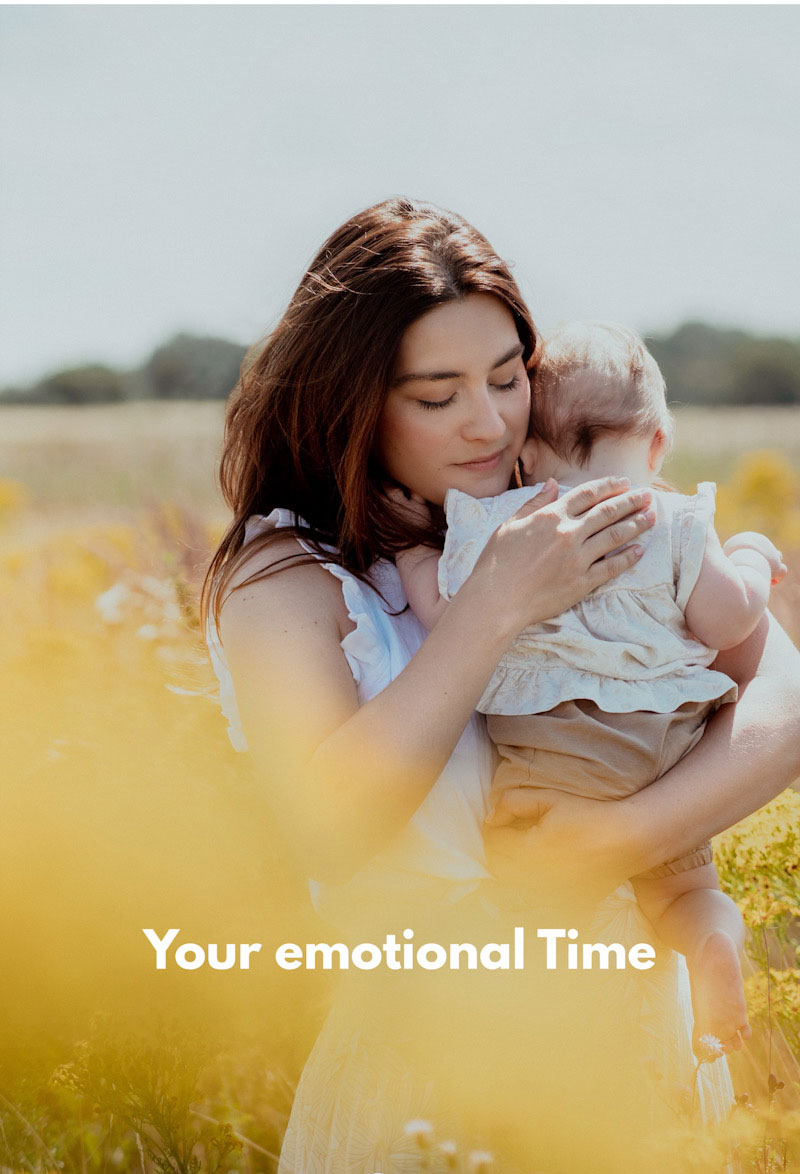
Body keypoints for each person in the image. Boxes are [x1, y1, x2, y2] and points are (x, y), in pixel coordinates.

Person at [202, 198, 800, 1173]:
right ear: (345, 403)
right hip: (429, 1072)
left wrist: (612, 843)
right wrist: (492, 605)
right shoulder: (283, 578)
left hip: (635, 1036)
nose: (487, 423)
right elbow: (329, 826)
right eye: (435, 397)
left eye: (505, 376)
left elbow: (781, 700)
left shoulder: (560, 505)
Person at [394, 319, 787, 1064]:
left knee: (535, 897)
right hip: (663, 751)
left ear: (529, 453)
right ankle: (709, 941)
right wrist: (749, 553)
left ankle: (544, 1050)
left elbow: (446, 613)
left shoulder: (508, 526)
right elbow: (730, 616)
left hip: (556, 750)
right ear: (659, 445)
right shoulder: (675, 520)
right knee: (685, 894)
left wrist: (416, 558)